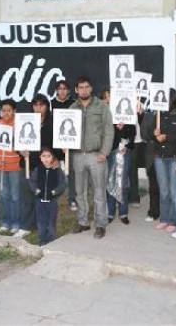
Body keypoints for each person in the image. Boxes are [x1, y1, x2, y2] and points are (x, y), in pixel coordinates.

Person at [70, 76, 114, 239]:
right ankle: (83, 222)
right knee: (79, 191)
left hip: (97, 155)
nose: (84, 90)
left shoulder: (101, 106)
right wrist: (64, 143)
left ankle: (100, 224)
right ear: (76, 90)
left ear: (91, 88)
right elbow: (65, 131)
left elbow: (109, 130)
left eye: (87, 87)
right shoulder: (72, 108)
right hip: (78, 155)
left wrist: (105, 152)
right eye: (81, 87)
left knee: (99, 192)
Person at [17, 94, 64, 239]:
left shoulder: (52, 123)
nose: (38, 108)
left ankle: (45, 226)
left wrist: (57, 158)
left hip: (46, 167)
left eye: (42, 105)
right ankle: (26, 226)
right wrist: (20, 150)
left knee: (46, 198)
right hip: (29, 164)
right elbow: (18, 141)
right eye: (36, 105)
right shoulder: (25, 121)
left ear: (47, 107)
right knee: (26, 196)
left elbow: (58, 144)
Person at [149, 88, 176, 233]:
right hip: (159, 157)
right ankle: (164, 219)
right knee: (163, 191)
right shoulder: (158, 116)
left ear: (173, 101)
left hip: (174, 158)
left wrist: (166, 137)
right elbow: (150, 134)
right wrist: (154, 133)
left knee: (173, 191)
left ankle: (173, 220)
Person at [0, 99, 22, 234]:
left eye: (9, 110)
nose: (6, 113)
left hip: (15, 167)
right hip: (0, 166)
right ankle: (6, 221)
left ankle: (16, 222)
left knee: (15, 196)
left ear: (14, 111)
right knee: (4, 195)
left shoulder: (19, 124)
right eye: (4, 110)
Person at [106, 89, 136, 225]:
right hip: (110, 152)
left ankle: (123, 212)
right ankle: (110, 212)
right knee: (110, 181)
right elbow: (104, 133)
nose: (109, 99)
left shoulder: (129, 114)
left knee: (122, 182)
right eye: (107, 97)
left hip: (124, 151)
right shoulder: (106, 114)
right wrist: (115, 128)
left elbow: (132, 132)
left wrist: (126, 144)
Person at [29, 147, 66, 246]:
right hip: (39, 200)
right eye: (43, 156)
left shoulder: (57, 171)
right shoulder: (37, 170)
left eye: (48, 156)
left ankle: (51, 239)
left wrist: (54, 192)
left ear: (52, 158)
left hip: (52, 200)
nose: (46, 158)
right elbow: (32, 182)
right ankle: (42, 239)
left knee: (51, 220)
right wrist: (36, 190)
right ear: (40, 158)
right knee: (41, 221)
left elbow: (62, 184)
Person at [50, 81, 77, 211]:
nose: (62, 91)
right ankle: (53, 197)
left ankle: (72, 199)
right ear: (56, 91)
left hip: (71, 143)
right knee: (54, 172)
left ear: (68, 90)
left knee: (71, 173)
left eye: (64, 88)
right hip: (55, 143)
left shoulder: (74, 103)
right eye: (59, 89)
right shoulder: (51, 103)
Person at [140, 107, 161, 222]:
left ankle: (168, 213)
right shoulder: (149, 115)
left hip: (167, 155)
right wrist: (153, 134)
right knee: (153, 185)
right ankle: (153, 211)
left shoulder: (169, 114)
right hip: (151, 154)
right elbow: (144, 134)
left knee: (167, 187)